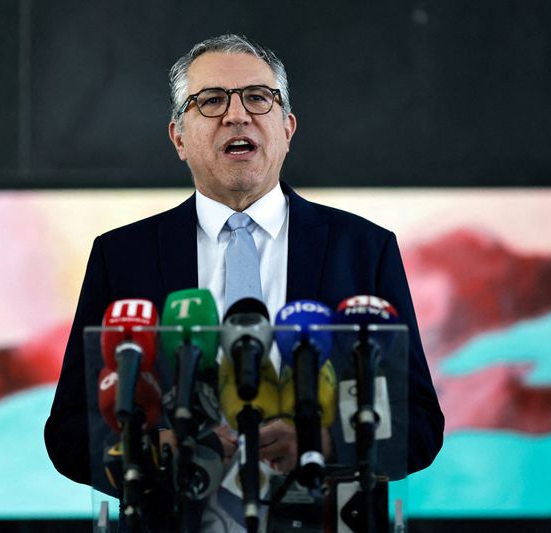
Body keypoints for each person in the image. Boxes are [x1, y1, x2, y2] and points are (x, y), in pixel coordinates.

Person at [45, 33, 443, 529]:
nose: (237, 115)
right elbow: (68, 430)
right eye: (211, 101)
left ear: (288, 126)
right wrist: (148, 451)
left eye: (258, 97)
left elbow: (420, 424)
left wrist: (323, 441)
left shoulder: (363, 249)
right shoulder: (122, 256)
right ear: (178, 138)